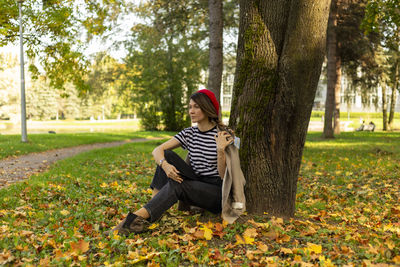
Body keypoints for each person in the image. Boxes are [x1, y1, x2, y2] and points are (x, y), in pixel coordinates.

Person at [107, 89, 236, 236]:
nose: (191, 111)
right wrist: (165, 165)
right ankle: (150, 210)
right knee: (166, 155)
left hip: (216, 191)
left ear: (207, 108)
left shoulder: (223, 135)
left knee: (178, 185)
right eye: (190, 107)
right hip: (196, 180)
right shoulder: (189, 133)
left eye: (196, 107)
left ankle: (133, 221)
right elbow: (157, 150)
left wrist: (220, 150)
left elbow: (223, 176)